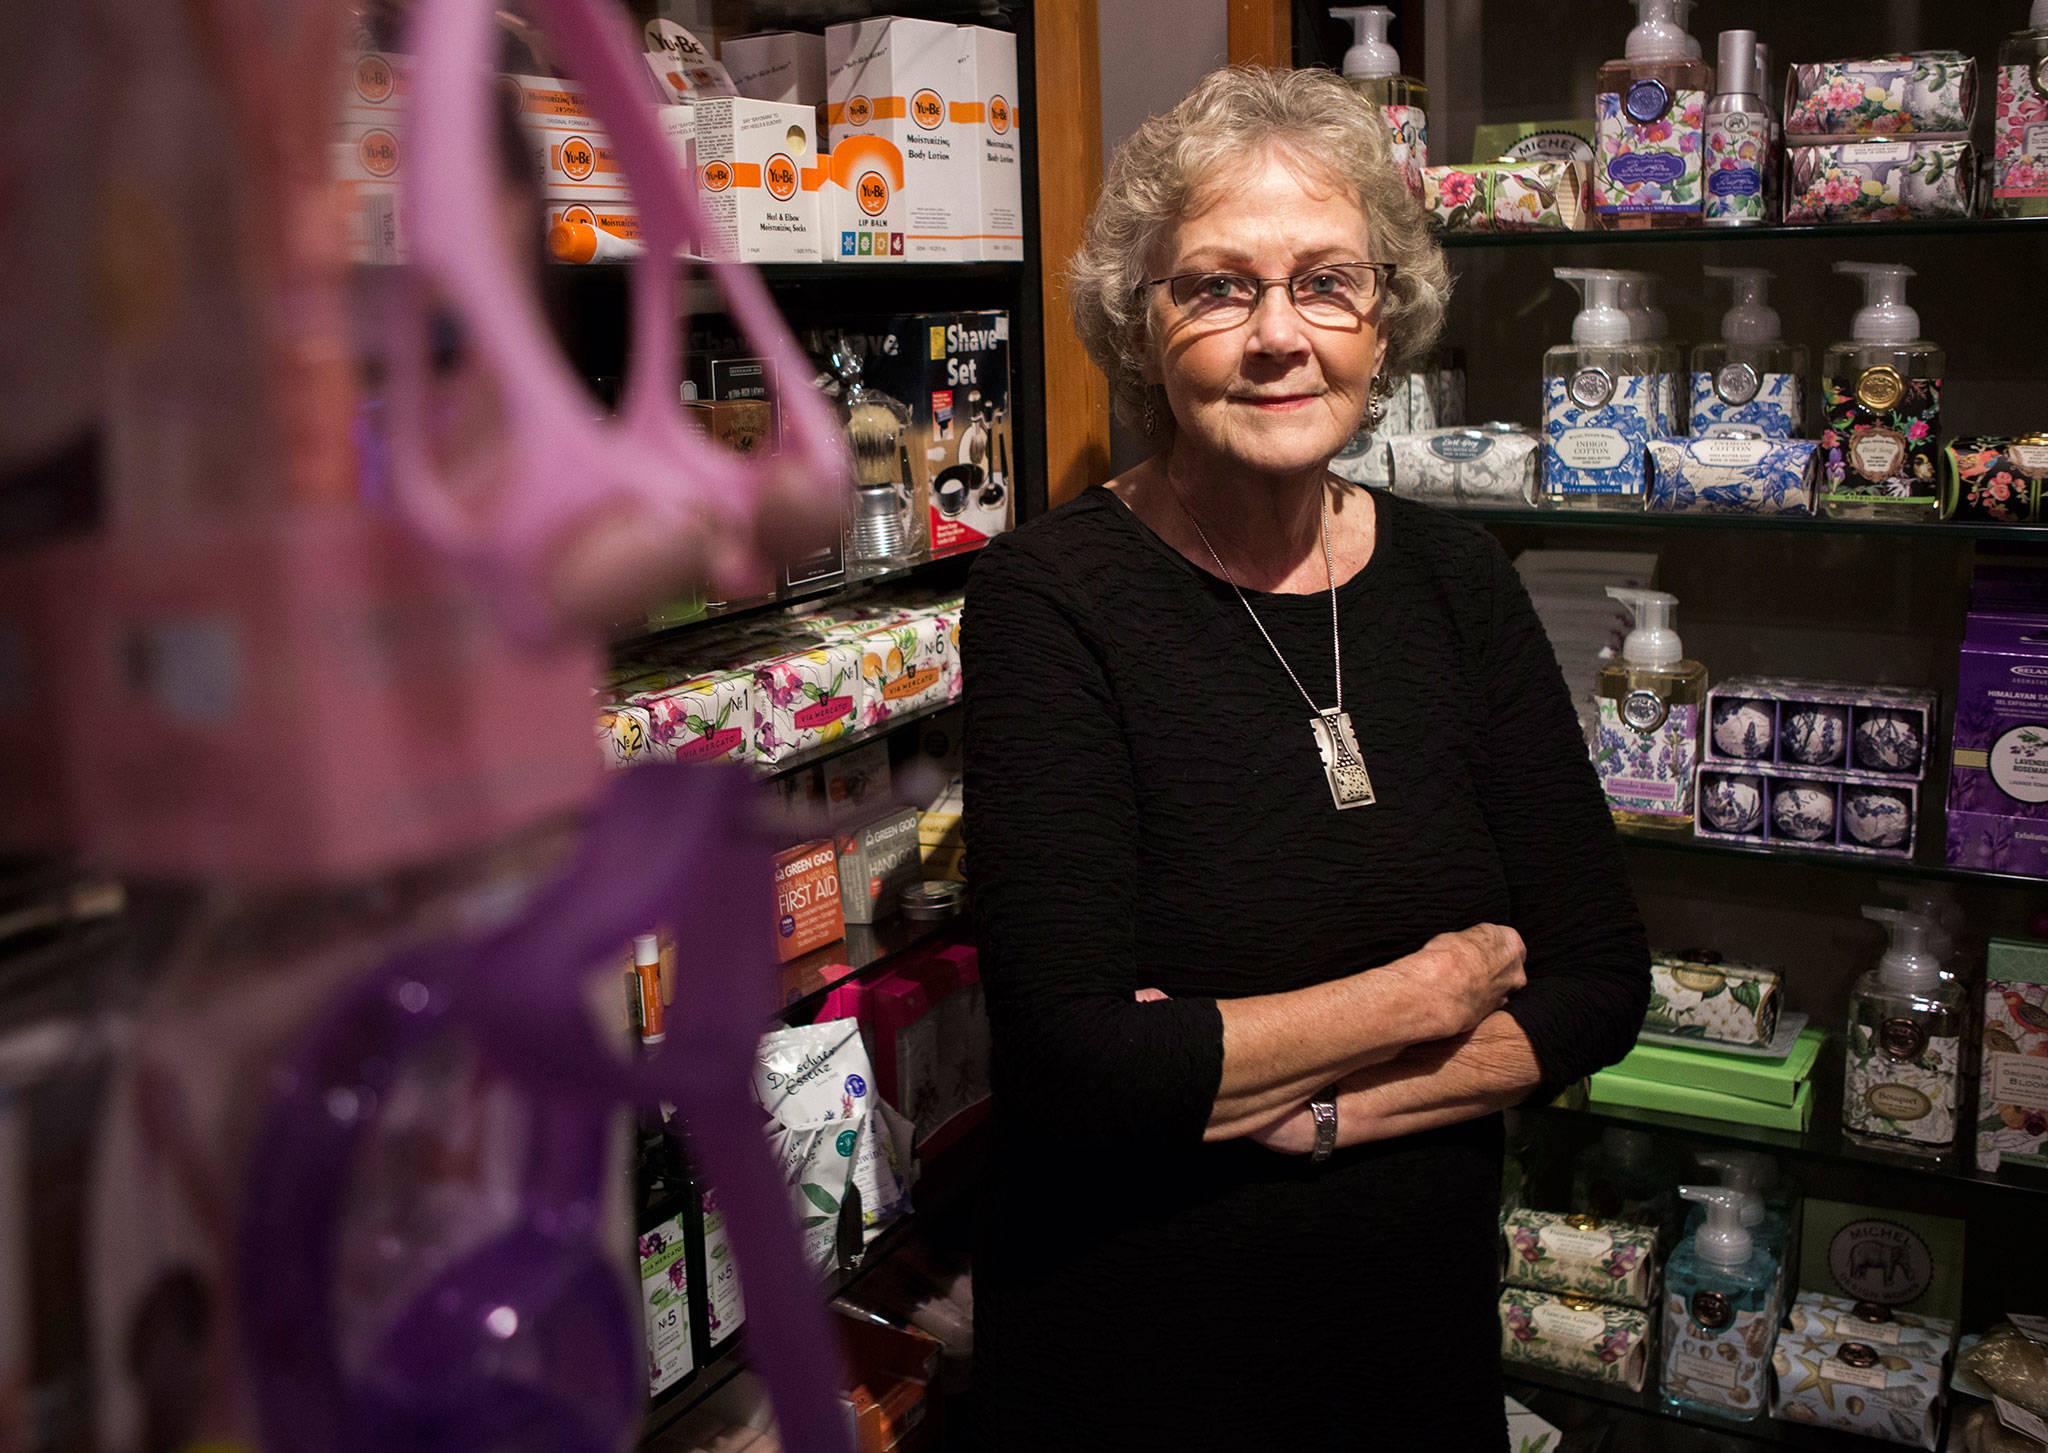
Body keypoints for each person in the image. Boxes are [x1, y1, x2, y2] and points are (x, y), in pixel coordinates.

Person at [961, 66, 1649, 1449]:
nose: (1279, 335)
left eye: (1327, 281)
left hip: (1413, 1343)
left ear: (1385, 319)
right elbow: (1082, 1061)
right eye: (1217, 286)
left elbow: (1598, 984)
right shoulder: (1051, 597)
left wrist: (1309, 1104)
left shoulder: (1458, 578)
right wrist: (1434, 985)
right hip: (1138, 1356)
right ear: (1140, 327)